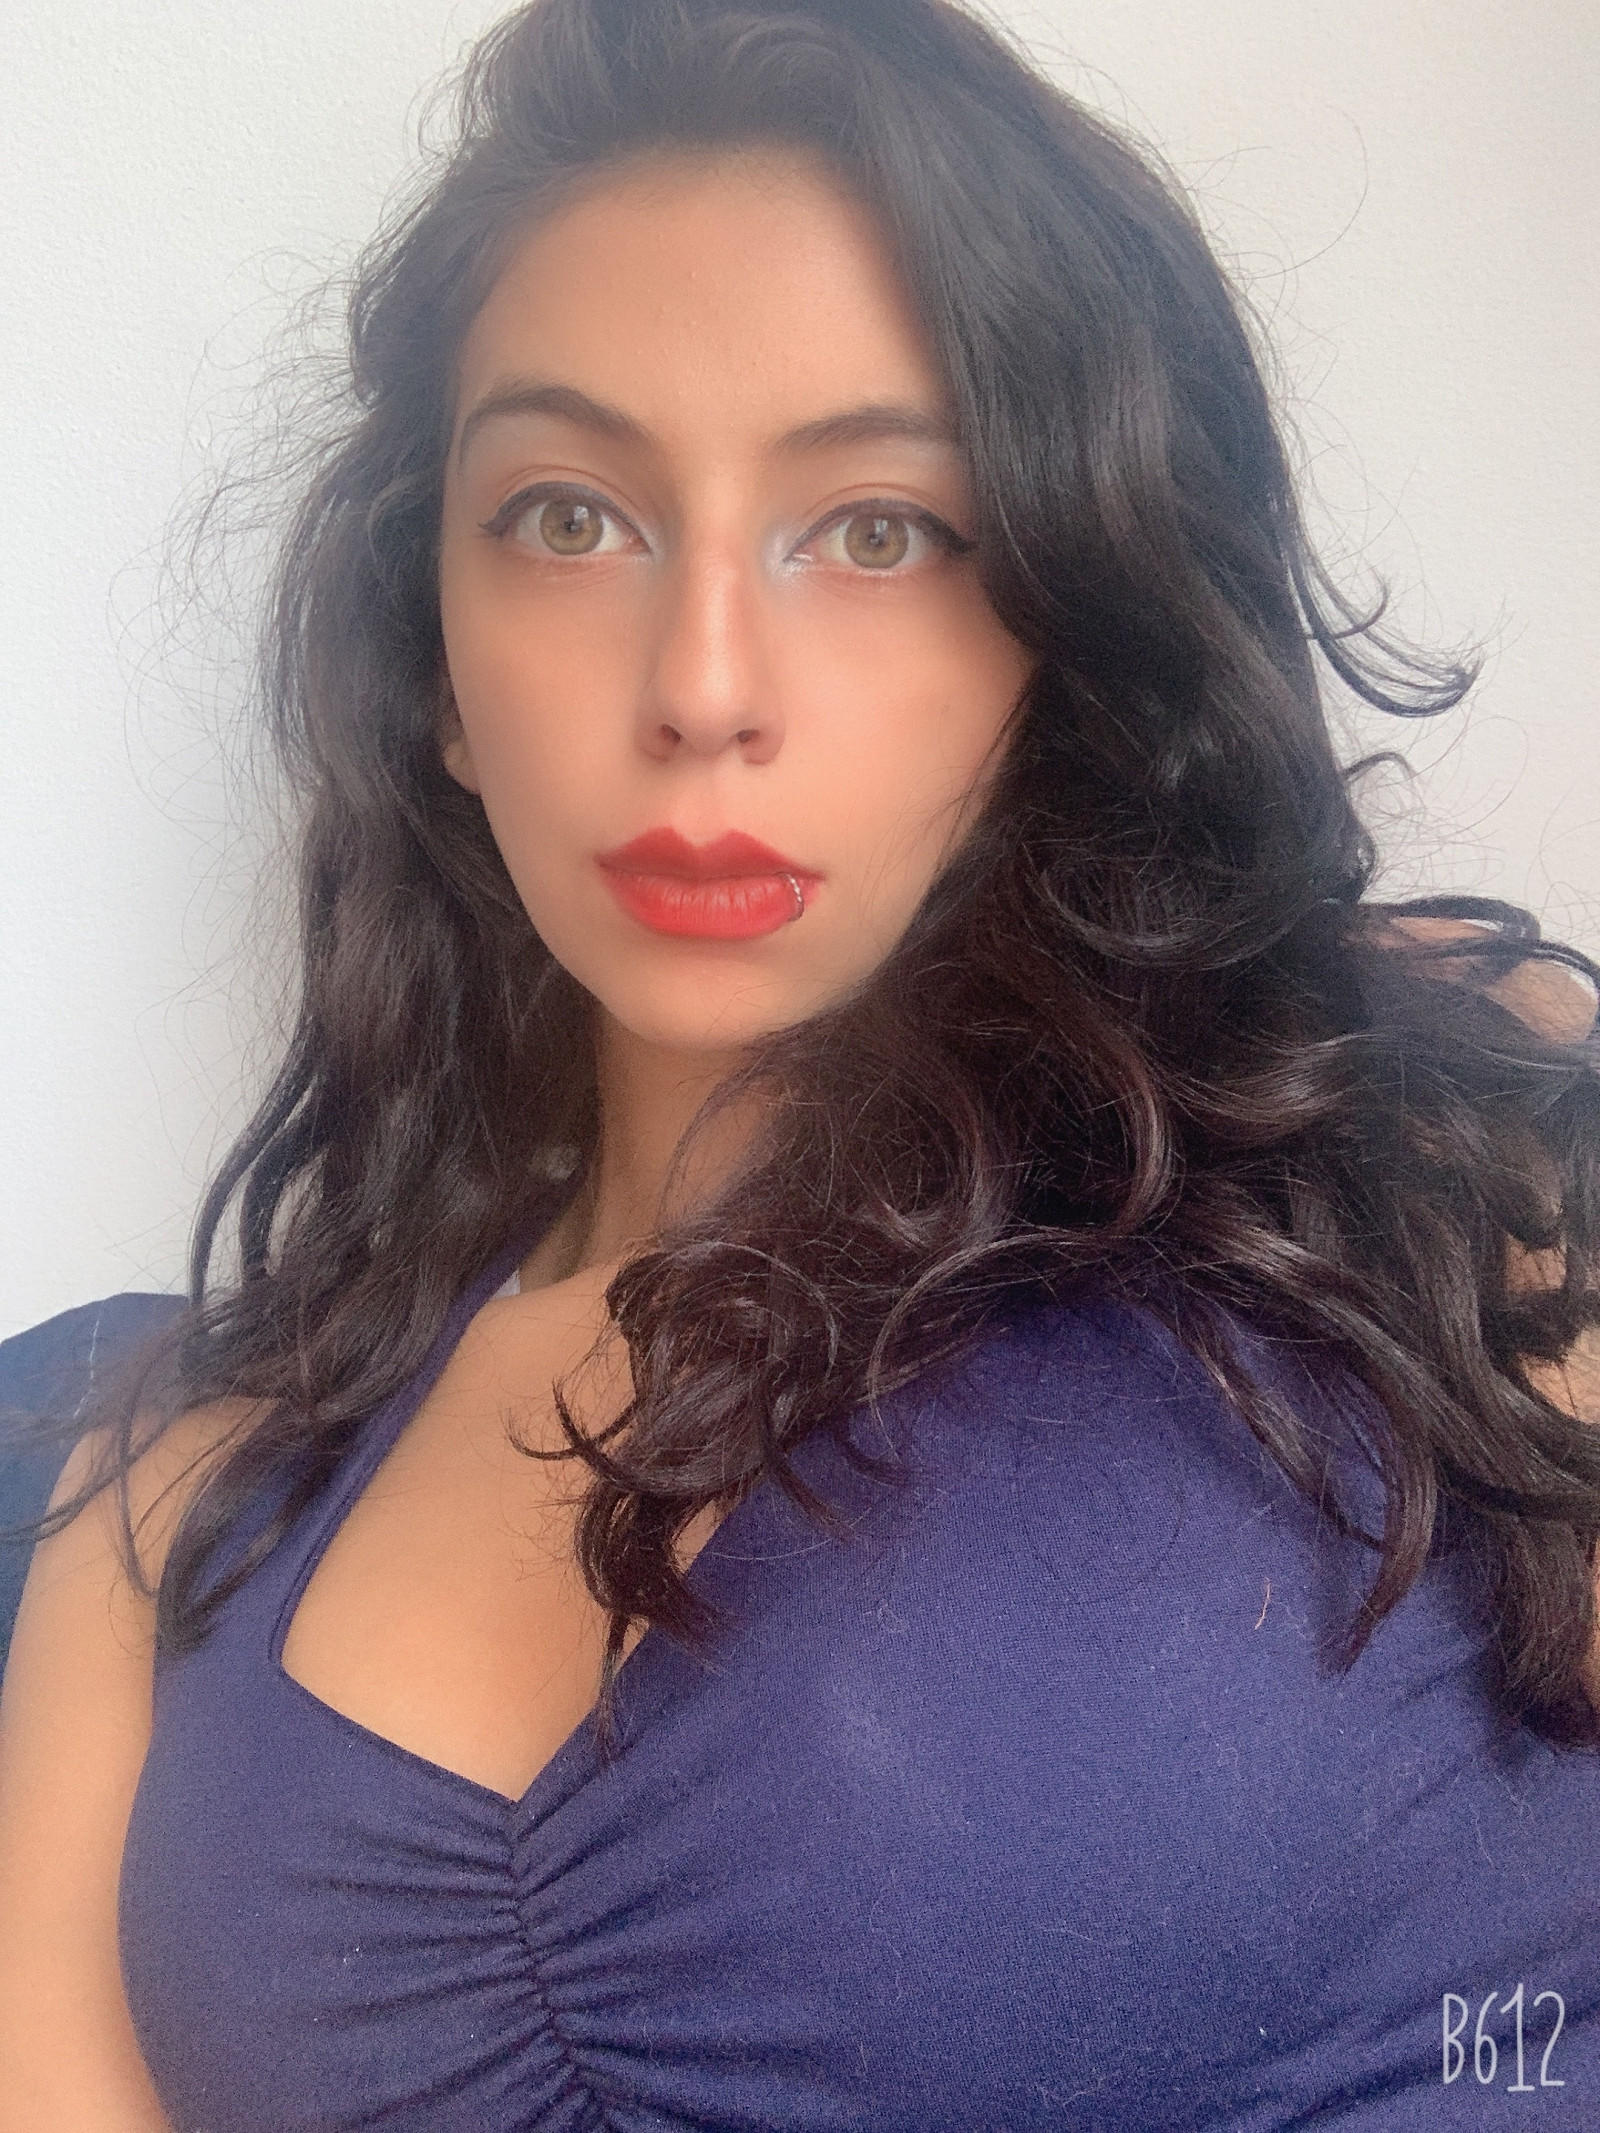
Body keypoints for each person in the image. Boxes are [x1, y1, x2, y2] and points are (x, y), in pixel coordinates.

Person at [1, 0, 1597, 2124]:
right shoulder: (162, 1490)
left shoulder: (1439, 1142)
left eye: (878, 528)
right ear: (439, 671)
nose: (702, 685)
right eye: (570, 516)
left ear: (1063, 616)